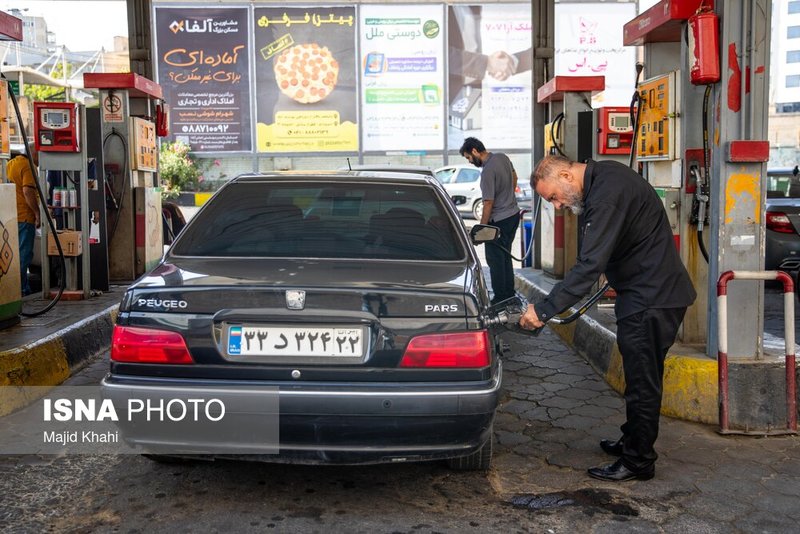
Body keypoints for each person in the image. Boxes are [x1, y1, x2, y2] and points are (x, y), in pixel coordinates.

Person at [519, 155, 696, 482]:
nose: (557, 206)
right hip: (646, 293)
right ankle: (633, 439)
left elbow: (589, 266)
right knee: (639, 374)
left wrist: (543, 310)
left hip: (651, 297)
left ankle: (639, 460)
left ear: (565, 174)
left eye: (553, 197)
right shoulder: (605, 180)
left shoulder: (606, 195)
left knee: (643, 382)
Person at [459, 137, 520, 304]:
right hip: (513, 215)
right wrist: (507, 198)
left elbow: (488, 203)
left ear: (474, 151)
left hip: (498, 221)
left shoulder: (487, 172)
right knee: (505, 256)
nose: (470, 161)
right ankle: (509, 294)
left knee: (495, 260)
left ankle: (501, 298)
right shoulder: (503, 157)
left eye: (468, 157)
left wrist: (482, 228)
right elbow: (514, 178)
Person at [7, 150, 40, 296]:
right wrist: (37, 213)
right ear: (35, 153)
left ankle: (22, 287)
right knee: (24, 255)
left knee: (13, 256)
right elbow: (28, 191)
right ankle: (19, 290)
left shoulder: (11, 163)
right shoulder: (28, 166)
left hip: (11, 216)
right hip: (25, 217)